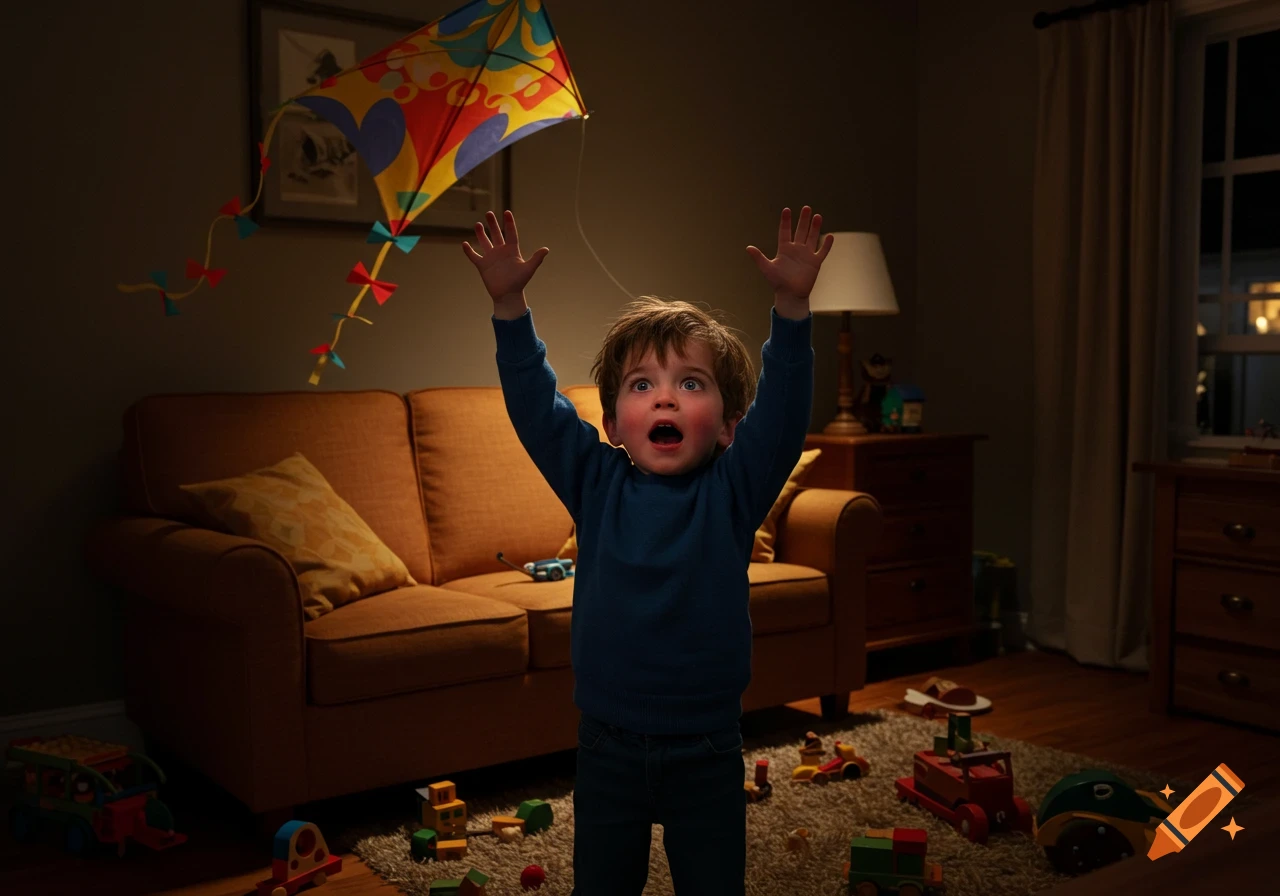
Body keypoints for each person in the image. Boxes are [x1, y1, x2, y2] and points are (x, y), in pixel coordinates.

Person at [463, 206, 833, 895]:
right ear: (611, 422)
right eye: (643, 385)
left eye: (690, 383)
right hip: (607, 744)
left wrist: (791, 306)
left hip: (708, 745)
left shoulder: (734, 490)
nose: (665, 396)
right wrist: (509, 305)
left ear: (726, 426)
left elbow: (783, 416)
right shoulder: (593, 480)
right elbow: (536, 411)